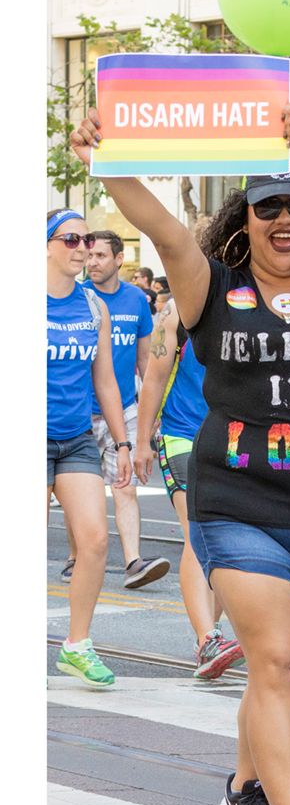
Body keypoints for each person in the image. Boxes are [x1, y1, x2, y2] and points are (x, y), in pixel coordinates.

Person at [72, 101, 290, 805]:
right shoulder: (214, 291)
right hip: (235, 506)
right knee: (274, 661)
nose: (286, 217)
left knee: (286, 667)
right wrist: (107, 164)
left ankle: (246, 785)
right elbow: (169, 234)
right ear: (246, 223)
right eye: (268, 206)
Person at [134, 296, 242, 680]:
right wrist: (142, 441)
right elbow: (155, 375)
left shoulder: (262, 301)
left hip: (235, 439)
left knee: (229, 540)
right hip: (183, 434)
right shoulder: (178, 309)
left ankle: (207, 642)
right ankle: (208, 637)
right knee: (197, 533)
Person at [47, 209, 132, 687]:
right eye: (71, 239)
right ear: (46, 245)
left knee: (96, 541)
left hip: (77, 437)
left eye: (88, 241)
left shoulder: (92, 307)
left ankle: (76, 644)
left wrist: (122, 442)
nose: (82, 248)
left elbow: (106, 380)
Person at [60, 230, 171, 591]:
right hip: (78, 410)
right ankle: (76, 556)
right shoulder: (78, 299)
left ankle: (133, 561)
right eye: (89, 256)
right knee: (76, 492)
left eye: (100, 256)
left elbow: (145, 361)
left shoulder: (138, 300)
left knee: (124, 486)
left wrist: (148, 415)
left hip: (121, 408)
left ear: (119, 259)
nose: (92, 262)